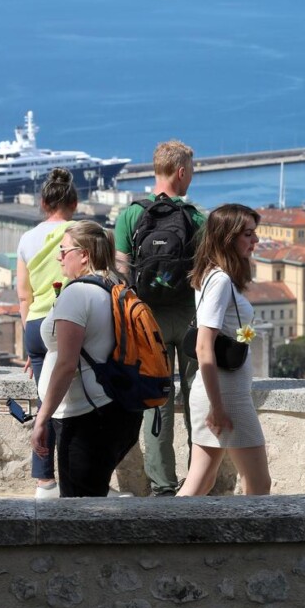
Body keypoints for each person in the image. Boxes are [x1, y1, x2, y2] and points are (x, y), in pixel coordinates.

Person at [114, 140, 204, 497]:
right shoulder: (197, 218)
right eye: (191, 172)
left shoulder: (130, 215)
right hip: (188, 317)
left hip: (147, 321)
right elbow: (205, 271)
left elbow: (121, 272)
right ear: (181, 173)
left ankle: (163, 484)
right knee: (197, 397)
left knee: (157, 403)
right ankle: (200, 479)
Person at [30, 221, 143, 497]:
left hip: (85, 418)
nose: (59, 256)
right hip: (118, 409)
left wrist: (41, 419)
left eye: (63, 250)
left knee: (79, 513)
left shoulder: (77, 294)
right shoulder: (118, 284)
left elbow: (67, 365)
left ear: (84, 254)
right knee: (93, 500)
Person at [177, 204, 271, 496]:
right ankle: (254, 542)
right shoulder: (219, 281)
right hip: (225, 395)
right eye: (248, 234)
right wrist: (218, 409)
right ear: (227, 236)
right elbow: (204, 346)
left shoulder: (213, 275)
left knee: (201, 482)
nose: (255, 241)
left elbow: (230, 332)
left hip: (218, 392)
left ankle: (164, 533)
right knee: (259, 484)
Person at [15, 168, 78, 499]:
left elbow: (23, 295)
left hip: (36, 326)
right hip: (68, 323)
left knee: (45, 402)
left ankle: (44, 482)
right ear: (75, 201)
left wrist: (29, 342)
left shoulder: (27, 238)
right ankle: (75, 480)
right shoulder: (79, 233)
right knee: (76, 405)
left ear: (42, 203)